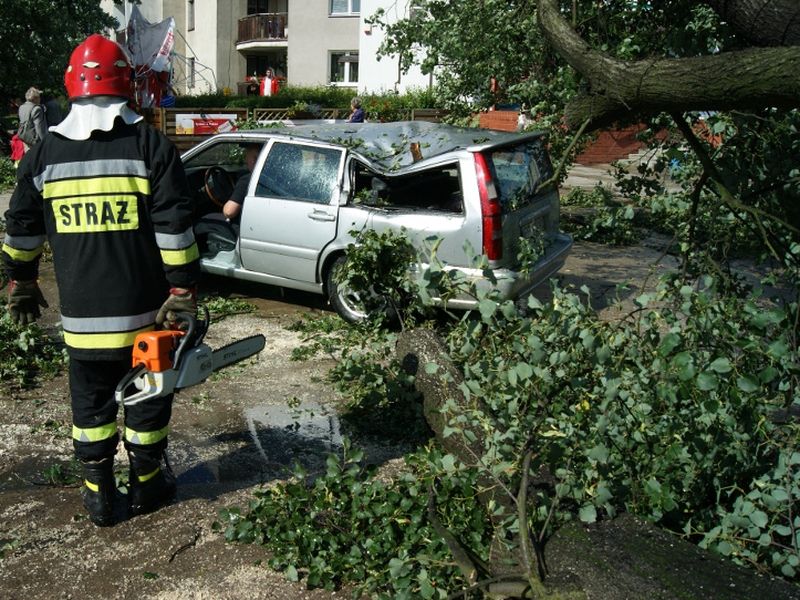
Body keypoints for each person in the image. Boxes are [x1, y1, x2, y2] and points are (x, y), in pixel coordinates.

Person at [2, 34, 200, 527]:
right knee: (149, 398)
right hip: (145, 321)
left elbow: (20, 226)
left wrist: (22, 281)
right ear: (126, 84)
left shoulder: (43, 155)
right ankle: (148, 484)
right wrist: (182, 291)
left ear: (72, 84)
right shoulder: (150, 145)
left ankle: (98, 494)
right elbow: (175, 226)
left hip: (82, 325)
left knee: (89, 405)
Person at [223, 143, 261, 223]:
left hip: (245, 227)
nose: (245, 160)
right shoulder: (273, 177)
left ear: (254, 160)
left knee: (204, 222)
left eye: (247, 156)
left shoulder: (249, 180)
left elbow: (229, 212)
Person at [17, 87, 47, 151]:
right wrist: (44, 143)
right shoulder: (37, 109)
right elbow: (39, 128)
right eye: (39, 97)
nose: (40, 99)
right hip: (35, 141)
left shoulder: (21, 107)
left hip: (25, 139)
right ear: (35, 98)